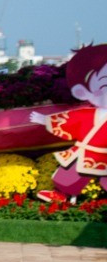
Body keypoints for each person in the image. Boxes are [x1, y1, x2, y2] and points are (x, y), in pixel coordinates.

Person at [30, 44, 107, 204]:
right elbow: (69, 120)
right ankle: (63, 194)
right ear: (83, 90)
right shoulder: (87, 114)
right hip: (85, 151)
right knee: (70, 174)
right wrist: (43, 120)